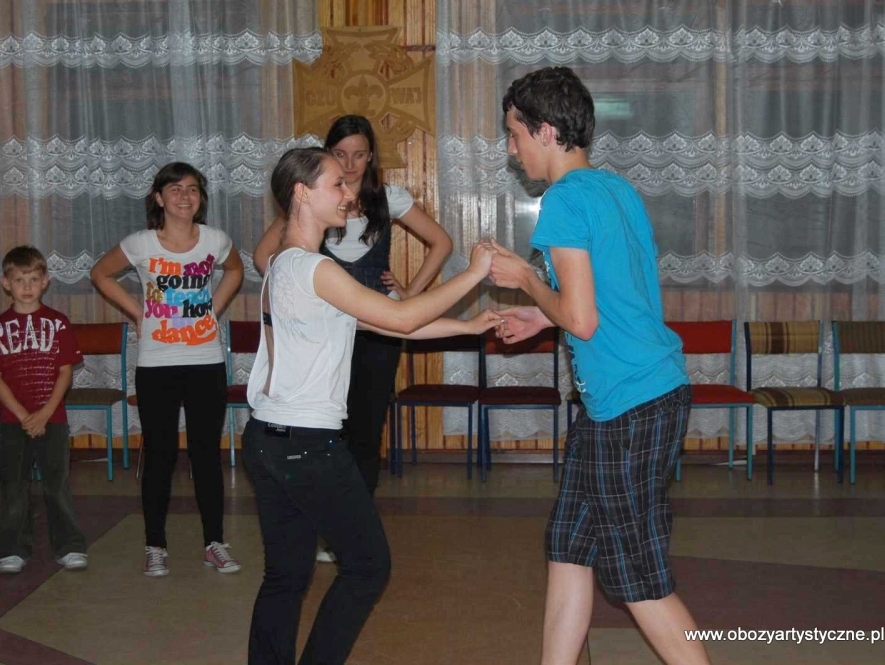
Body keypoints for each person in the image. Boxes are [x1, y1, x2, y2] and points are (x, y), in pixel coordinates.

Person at [489, 67, 710, 665]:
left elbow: (582, 320)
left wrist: (526, 280)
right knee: (569, 545)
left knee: (636, 576)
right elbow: (613, 298)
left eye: (514, 134)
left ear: (546, 131)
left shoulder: (562, 200)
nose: (511, 149)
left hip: (630, 405)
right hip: (627, 401)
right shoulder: (614, 189)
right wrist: (541, 316)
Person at [243, 147, 499, 665]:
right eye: (337, 184)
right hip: (305, 445)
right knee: (367, 567)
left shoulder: (286, 266)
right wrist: (475, 274)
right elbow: (401, 319)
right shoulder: (314, 268)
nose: (349, 193)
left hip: (267, 439)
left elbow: (387, 322)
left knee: (286, 576)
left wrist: (470, 326)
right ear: (301, 193)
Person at [254, 116, 452, 524]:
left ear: (371, 157)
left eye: (359, 155)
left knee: (367, 425)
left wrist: (411, 292)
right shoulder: (310, 203)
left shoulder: (388, 198)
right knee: (329, 426)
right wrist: (295, 291)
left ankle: (356, 515)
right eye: (340, 155)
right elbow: (262, 258)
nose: (349, 165)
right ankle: (329, 519)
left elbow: (441, 242)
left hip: (377, 325)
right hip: (326, 324)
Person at [90, 162, 244, 577]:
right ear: (158, 198)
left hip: (205, 361)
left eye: (192, 189)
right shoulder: (141, 243)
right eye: (174, 189)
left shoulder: (214, 240)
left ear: (201, 198)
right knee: (159, 455)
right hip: (157, 363)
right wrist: (136, 312)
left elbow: (236, 269)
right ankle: (155, 545)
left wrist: (214, 307)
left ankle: (214, 543)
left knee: (205, 455)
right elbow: (100, 273)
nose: (184, 196)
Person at [0, 245, 88, 575]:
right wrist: (25, 416)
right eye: (19, 280)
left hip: (52, 419)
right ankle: (13, 548)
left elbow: (65, 373)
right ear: (6, 283)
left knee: (57, 485)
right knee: (14, 486)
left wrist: (44, 414)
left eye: (33, 279)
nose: (27, 286)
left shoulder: (59, 323)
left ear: (46, 281)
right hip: (14, 422)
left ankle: (69, 545)